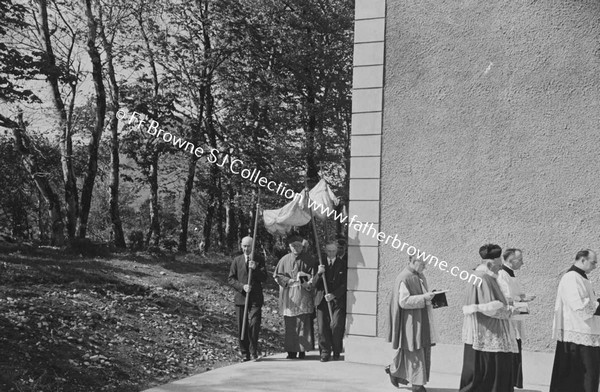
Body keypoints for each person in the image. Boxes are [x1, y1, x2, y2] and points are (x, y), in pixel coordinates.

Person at [459, 243, 520, 392]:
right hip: (487, 332)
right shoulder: (482, 278)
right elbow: (488, 308)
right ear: (489, 263)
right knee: (487, 374)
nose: (500, 268)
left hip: (489, 330)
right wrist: (509, 312)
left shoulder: (487, 276)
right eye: (499, 265)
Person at [550, 249, 600, 392]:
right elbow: (580, 306)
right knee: (583, 375)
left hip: (586, 333)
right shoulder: (571, 277)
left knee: (590, 374)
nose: (595, 266)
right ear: (582, 260)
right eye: (593, 262)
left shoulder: (582, 278)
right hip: (577, 335)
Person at [386, 254, 437, 392]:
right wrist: (424, 298)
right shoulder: (404, 277)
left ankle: (394, 371)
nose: (425, 267)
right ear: (414, 262)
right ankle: (417, 384)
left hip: (419, 317)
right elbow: (404, 302)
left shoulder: (418, 275)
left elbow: (421, 294)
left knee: (412, 349)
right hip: (411, 320)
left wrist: (431, 296)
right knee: (415, 349)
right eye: (423, 264)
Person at [273, 236, 322, 359]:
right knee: (290, 324)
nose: (296, 248)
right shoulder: (284, 260)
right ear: (289, 246)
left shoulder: (309, 259)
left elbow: (314, 276)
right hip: (290, 294)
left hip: (304, 293)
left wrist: (308, 281)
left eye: (299, 245)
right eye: (294, 245)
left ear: (302, 246)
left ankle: (302, 350)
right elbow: (278, 275)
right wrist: (288, 280)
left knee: (303, 322)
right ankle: (291, 351)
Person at [497, 248, 536, 389]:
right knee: (510, 354)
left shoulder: (511, 274)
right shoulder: (502, 275)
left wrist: (523, 297)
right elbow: (506, 298)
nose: (523, 263)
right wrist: (520, 299)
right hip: (508, 322)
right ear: (511, 260)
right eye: (520, 260)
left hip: (516, 320)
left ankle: (513, 384)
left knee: (516, 351)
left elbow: (515, 295)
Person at [227, 236, 268, 361]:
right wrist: (242, 287)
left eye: (248, 246)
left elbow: (264, 277)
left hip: (255, 298)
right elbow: (231, 279)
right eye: (244, 246)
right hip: (241, 298)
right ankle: (245, 353)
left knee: (254, 324)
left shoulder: (259, 259)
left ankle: (253, 350)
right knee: (242, 326)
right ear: (241, 246)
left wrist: (255, 270)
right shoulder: (237, 260)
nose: (246, 249)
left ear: (253, 246)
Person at [315, 242, 347, 362]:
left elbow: (345, 283)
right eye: (329, 251)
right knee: (322, 327)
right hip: (322, 300)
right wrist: (319, 273)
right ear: (325, 251)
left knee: (336, 326)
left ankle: (337, 350)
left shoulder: (342, 264)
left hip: (337, 301)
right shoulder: (319, 263)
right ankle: (325, 352)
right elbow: (313, 284)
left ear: (336, 251)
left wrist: (334, 295)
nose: (331, 253)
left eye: (333, 251)